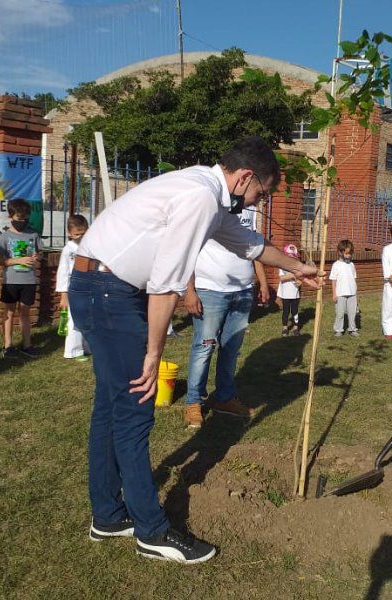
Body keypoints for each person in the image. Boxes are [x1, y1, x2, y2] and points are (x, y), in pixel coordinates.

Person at [68, 136, 319, 564]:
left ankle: (108, 515)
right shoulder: (201, 197)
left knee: (111, 408)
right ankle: (152, 531)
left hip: (98, 285)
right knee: (135, 407)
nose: (261, 199)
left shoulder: (207, 194)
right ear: (245, 178)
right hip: (109, 292)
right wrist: (153, 352)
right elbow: (167, 281)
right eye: (263, 191)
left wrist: (297, 267)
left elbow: (248, 244)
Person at [181, 205, 270, 429]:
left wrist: (263, 282)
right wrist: (189, 290)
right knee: (204, 346)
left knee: (231, 348)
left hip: (242, 290)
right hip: (209, 289)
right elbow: (188, 248)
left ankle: (224, 398)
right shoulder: (210, 204)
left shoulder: (251, 208)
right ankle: (193, 402)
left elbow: (255, 246)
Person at [0, 198, 42, 359]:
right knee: (9, 312)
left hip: (28, 280)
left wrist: (37, 256)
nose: (22, 221)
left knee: (25, 313)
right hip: (11, 281)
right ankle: (8, 345)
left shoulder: (33, 234)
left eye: (25, 219)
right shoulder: (4, 237)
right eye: (19, 218)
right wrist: (18, 260)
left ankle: (27, 344)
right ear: (11, 216)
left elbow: (40, 253)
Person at [56, 214, 90, 361]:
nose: (80, 237)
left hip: (88, 287)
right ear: (69, 233)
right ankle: (73, 350)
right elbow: (63, 273)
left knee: (88, 318)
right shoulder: (68, 250)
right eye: (77, 234)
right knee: (74, 320)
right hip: (73, 288)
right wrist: (64, 294)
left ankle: (87, 346)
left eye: (83, 233)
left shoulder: (89, 246)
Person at [330, 239, 360, 337]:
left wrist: (356, 293)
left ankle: (352, 329)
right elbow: (333, 280)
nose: (349, 255)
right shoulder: (336, 265)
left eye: (350, 253)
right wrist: (334, 293)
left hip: (352, 293)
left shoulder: (351, 265)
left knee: (352, 313)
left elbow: (354, 279)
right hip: (340, 293)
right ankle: (338, 329)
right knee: (340, 313)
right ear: (340, 252)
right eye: (347, 253)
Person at [277, 243, 302, 336]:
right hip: (285, 294)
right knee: (286, 311)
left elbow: (300, 279)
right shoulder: (282, 266)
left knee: (295, 311)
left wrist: (300, 282)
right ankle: (285, 327)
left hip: (295, 293)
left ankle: (296, 327)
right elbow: (282, 278)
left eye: (293, 257)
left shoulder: (297, 267)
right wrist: (293, 275)